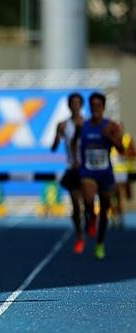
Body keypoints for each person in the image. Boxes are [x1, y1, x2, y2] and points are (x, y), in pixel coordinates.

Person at [72, 92, 124, 260]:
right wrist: (76, 160)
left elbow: (122, 150)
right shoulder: (83, 126)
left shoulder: (111, 126)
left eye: (98, 106)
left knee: (105, 208)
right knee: (87, 200)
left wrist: (110, 137)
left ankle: (100, 243)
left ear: (103, 107)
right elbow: (73, 142)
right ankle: (91, 216)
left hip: (105, 172)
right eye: (93, 106)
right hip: (88, 171)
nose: (95, 109)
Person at [51, 93, 85, 254]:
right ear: (69, 105)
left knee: (89, 204)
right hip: (72, 167)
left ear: (82, 105)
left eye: (78, 103)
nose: (75, 105)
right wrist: (57, 139)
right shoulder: (63, 125)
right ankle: (79, 234)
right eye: (73, 103)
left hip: (87, 168)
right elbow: (54, 147)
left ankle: (90, 222)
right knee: (76, 206)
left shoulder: (88, 123)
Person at [110, 125, 135, 228]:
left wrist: (124, 154)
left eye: (119, 129)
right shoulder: (109, 139)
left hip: (124, 172)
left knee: (123, 196)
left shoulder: (127, 138)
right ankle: (116, 216)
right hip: (112, 172)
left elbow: (133, 152)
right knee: (114, 196)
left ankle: (119, 216)